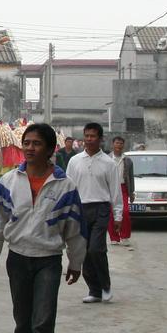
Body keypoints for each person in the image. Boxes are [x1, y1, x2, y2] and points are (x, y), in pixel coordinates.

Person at [0, 122, 85, 333]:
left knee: (42, 321)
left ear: (51, 149)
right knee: (22, 321)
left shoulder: (65, 185)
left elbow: (75, 228)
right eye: (26, 142)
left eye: (36, 143)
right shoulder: (8, 182)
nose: (29, 148)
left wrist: (76, 262)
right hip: (18, 259)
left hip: (49, 261)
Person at [66, 122, 123, 304]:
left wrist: (118, 215)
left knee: (96, 249)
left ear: (100, 139)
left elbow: (115, 190)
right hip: (80, 209)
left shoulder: (108, 163)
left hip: (101, 208)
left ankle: (105, 286)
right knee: (83, 251)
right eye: (87, 136)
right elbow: (68, 188)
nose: (89, 140)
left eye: (93, 136)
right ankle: (94, 290)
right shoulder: (74, 161)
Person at [107, 136, 135, 247]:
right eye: (117, 143)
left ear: (123, 145)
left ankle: (125, 236)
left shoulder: (127, 160)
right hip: (109, 188)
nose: (119, 145)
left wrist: (131, 192)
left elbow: (131, 177)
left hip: (123, 188)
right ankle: (114, 237)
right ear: (113, 144)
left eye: (121, 143)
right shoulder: (107, 159)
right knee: (111, 213)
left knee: (125, 213)